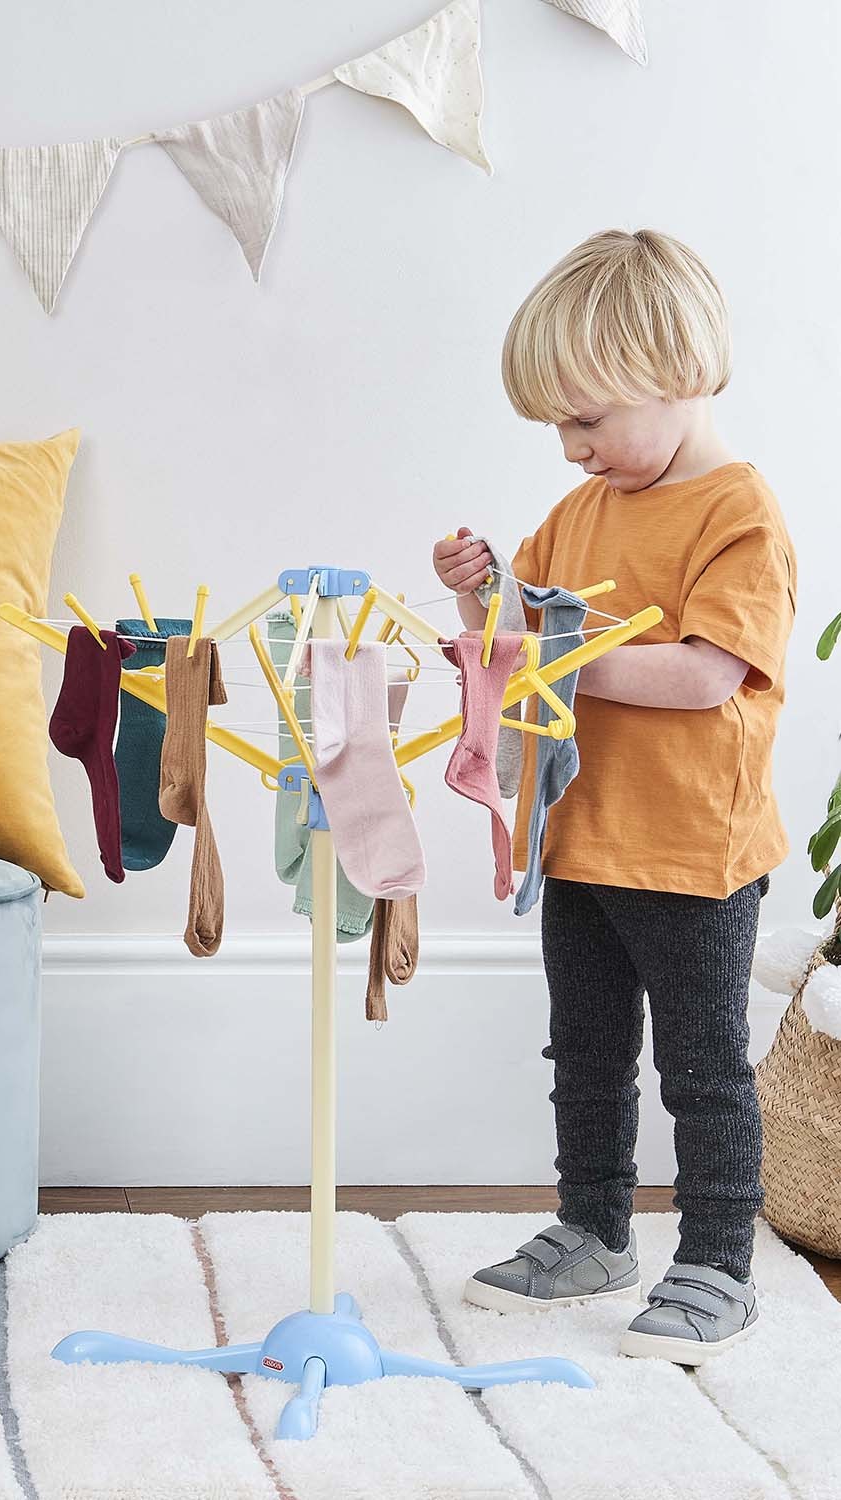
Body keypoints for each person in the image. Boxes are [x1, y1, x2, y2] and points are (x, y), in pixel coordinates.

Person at [433, 228, 796, 1365]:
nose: (571, 447)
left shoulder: (738, 516)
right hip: (581, 835)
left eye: (587, 419)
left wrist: (555, 656)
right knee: (584, 1055)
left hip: (691, 852)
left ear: (674, 372)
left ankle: (717, 1263)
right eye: (556, 426)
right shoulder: (580, 512)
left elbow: (703, 677)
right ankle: (594, 1231)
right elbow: (514, 637)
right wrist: (481, 598)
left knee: (703, 1069)